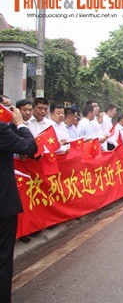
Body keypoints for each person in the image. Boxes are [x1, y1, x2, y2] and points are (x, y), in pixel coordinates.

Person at [0, 107, 38, 303]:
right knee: (3, 257)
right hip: (3, 204)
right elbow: (31, 147)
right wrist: (20, 124)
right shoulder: (2, 130)